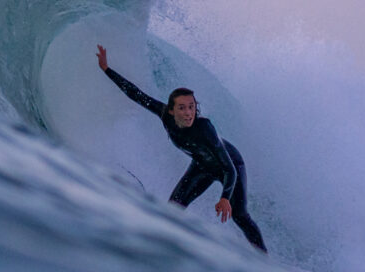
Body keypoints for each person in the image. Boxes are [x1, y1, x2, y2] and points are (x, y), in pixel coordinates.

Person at [96, 44, 267, 252]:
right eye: (182, 108)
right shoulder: (164, 115)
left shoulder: (204, 128)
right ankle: (160, 249)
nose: (188, 113)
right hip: (201, 166)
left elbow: (229, 168)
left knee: (240, 215)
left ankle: (263, 257)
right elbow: (135, 93)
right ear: (171, 109)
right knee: (173, 208)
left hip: (229, 165)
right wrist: (106, 69)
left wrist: (224, 197)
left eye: (192, 107)